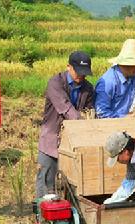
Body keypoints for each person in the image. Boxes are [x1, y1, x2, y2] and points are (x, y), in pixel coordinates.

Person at [36, 51, 94, 198]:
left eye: (84, 73)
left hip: (74, 143)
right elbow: (65, 108)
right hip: (52, 139)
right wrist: (82, 123)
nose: (81, 77)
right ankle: (43, 218)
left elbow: (90, 110)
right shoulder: (55, 83)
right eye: (78, 72)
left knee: (72, 184)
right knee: (47, 183)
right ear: (69, 67)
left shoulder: (88, 88)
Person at [95, 39, 135, 118]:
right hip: (109, 125)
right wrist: (124, 117)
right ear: (126, 64)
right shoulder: (108, 82)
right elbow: (102, 112)